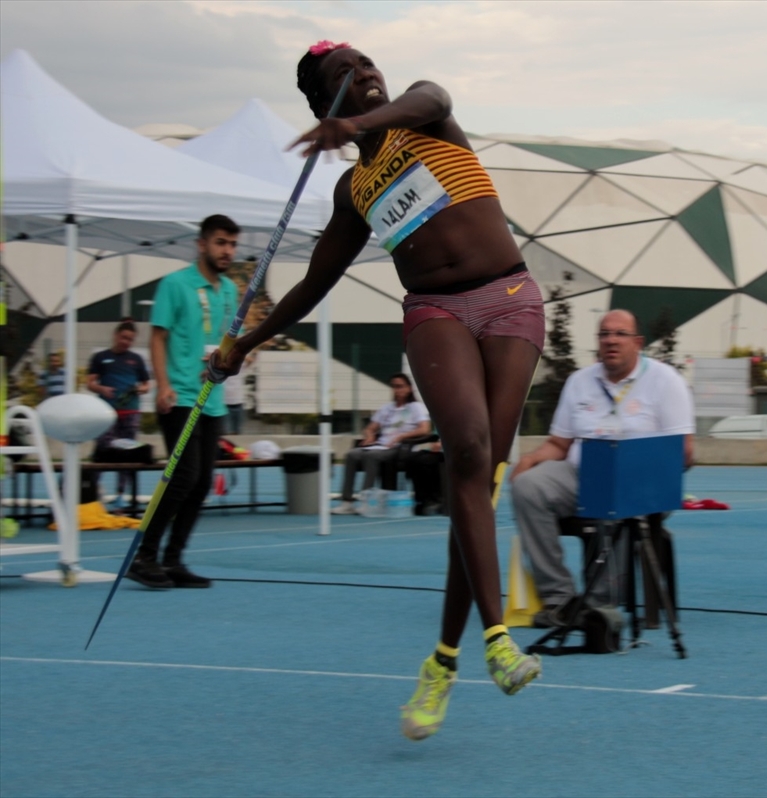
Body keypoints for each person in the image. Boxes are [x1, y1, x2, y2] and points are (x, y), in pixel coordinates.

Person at [208, 40, 545, 741]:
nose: (362, 72)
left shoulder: (423, 118)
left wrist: (360, 124)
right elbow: (312, 285)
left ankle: (442, 662)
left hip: (511, 297)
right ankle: (496, 641)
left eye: (365, 63)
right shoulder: (352, 190)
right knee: (470, 454)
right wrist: (246, 341)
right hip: (436, 311)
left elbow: (434, 96)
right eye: (342, 75)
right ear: (319, 104)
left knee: (475, 490)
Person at [510, 310, 694, 628]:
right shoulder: (579, 382)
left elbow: (685, 453)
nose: (611, 340)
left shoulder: (666, 382)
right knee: (528, 486)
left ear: (638, 343)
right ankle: (559, 599)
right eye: (604, 334)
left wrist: (638, 466)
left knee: (614, 500)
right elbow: (559, 444)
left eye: (620, 334)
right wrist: (529, 460)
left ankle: (599, 606)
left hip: (641, 484)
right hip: (582, 475)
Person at [127, 215, 240, 590]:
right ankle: (144, 556)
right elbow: (158, 337)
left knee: (203, 481)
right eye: (221, 243)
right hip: (179, 396)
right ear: (202, 244)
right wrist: (162, 385)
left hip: (213, 398)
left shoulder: (228, 290)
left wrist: (236, 357)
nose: (228, 251)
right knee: (183, 477)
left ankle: (173, 560)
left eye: (232, 244)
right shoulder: (175, 285)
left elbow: (225, 339)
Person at [333, 372, 431, 514]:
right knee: (352, 455)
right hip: (380, 444)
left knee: (371, 456)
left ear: (409, 388)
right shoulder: (387, 408)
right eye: (394, 387)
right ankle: (346, 501)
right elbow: (370, 428)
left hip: (398, 447)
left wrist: (402, 436)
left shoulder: (416, 407)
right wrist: (369, 436)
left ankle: (365, 500)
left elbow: (425, 429)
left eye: (400, 386)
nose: (397, 390)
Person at [87, 319, 151, 503]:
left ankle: (122, 495)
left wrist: (140, 389)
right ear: (116, 336)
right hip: (107, 414)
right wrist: (102, 389)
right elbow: (90, 383)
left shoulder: (136, 360)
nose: (126, 342)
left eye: (130, 339)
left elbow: (147, 384)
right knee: (102, 452)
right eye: (124, 337)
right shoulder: (100, 357)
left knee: (128, 455)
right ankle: (92, 493)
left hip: (130, 414)